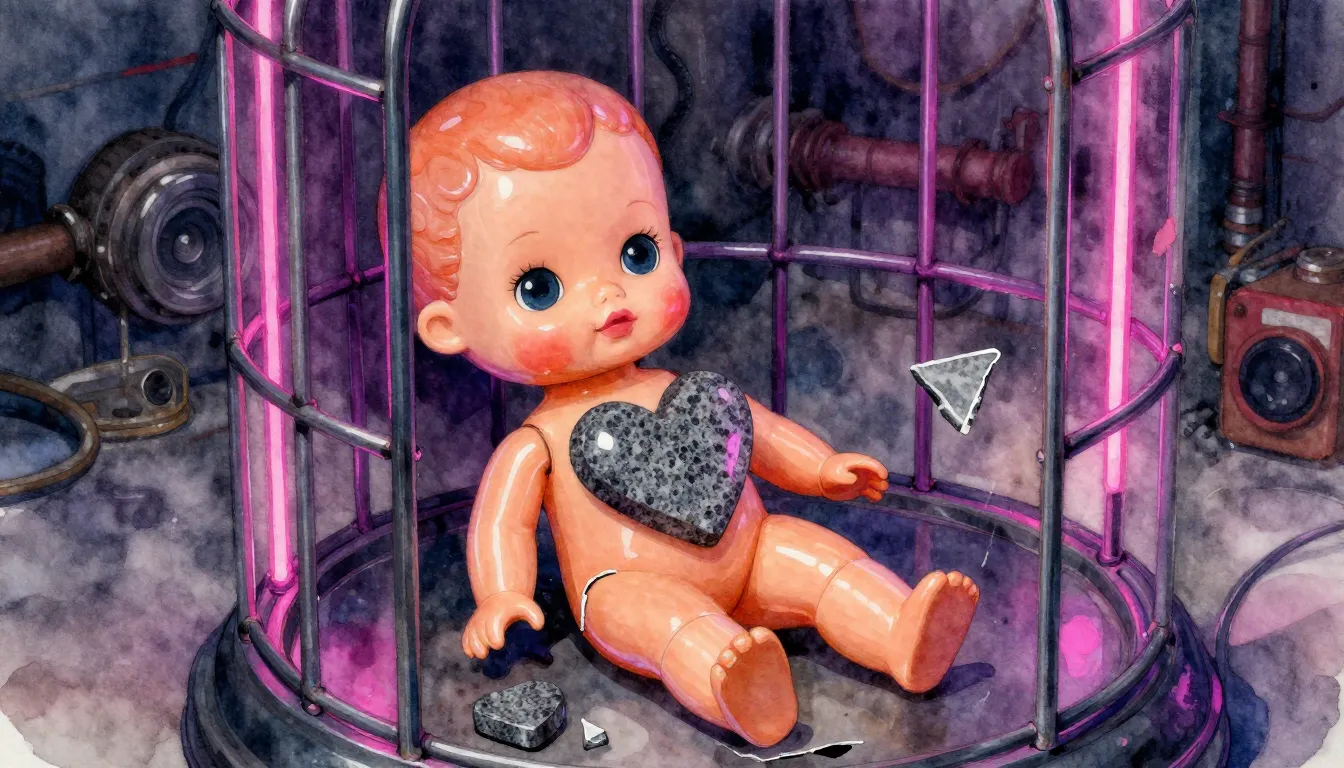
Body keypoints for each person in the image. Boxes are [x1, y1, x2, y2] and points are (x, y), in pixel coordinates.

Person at [392, 70, 979, 747]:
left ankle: (899, 631)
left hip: (748, 556)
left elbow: (762, 434)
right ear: (449, 327)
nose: (608, 294)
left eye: (636, 253)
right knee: (671, 623)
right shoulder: (539, 442)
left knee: (818, 558)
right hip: (623, 587)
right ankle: (737, 688)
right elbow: (505, 525)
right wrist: (501, 594)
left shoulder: (690, 394)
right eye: (540, 287)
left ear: (674, 249)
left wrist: (822, 468)